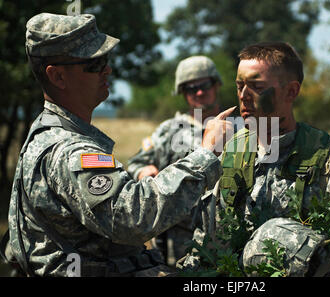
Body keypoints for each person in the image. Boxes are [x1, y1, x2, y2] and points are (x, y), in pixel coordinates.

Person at [0, 12, 234, 277]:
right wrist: (205, 155)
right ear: (58, 77)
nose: (107, 69)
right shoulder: (69, 150)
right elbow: (132, 218)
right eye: (94, 64)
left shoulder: (50, 131)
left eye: (105, 60)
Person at [181, 42, 330, 277]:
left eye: (256, 86)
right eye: (240, 86)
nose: (243, 96)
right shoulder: (225, 158)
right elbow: (204, 251)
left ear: (291, 91)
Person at [127, 56, 223, 266]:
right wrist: (145, 171)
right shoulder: (170, 131)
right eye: (191, 88)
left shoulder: (237, 127)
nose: (199, 92)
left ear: (216, 85)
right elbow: (135, 163)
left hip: (227, 238)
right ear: (182, 93)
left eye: (205, 85)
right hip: (179, 243)